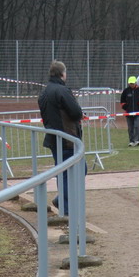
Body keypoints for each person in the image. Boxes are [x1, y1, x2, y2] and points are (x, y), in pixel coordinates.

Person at [38, 60, 85, 216]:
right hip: (67, 138)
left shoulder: (44, 92)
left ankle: (62, 201)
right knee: (72, 171)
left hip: (53, 137)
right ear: (62, 73)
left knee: (65, 171)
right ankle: (65, 206)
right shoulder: (62, 90)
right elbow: (76, 112)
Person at [120, 76, 139, 147]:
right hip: (128, 113)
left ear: (135, 83)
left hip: (137, 112)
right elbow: (122, 101)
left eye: (133, 83)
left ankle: (137, 140)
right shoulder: (126, 91)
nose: (131, 85)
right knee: (130, 127)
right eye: (130, 83)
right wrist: (126, 107)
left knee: (137, 126)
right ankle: (131, 141)